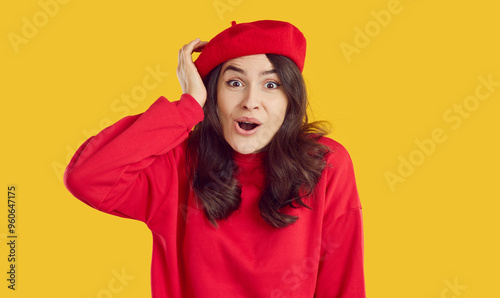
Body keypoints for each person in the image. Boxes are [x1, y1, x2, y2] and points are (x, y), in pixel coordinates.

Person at [64, 20, 366, 297]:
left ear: (291, 98)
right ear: (213, 94)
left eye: (271, 85)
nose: (250, 102)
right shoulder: (178, 164)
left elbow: (343, 285)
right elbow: (87, 177)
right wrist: (188, 106)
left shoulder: (326, 164)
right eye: (234, 83)